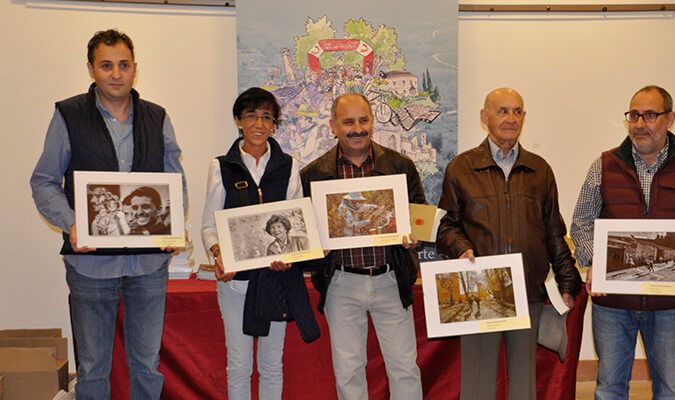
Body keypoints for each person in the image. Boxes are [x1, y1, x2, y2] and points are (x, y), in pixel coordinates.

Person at [29, 29, 186, 399]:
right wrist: (71, 224)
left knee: (147, 366)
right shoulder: (67, 115)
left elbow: (174, 182)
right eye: (106, 65)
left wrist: (173, 226)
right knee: (94, 368)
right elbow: (43, 182)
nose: (116, 73)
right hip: (90, 266)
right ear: (91, 69)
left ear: (135, 69)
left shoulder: (157, 117)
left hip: (148, 266)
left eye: (123, 65)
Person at [570, 85, 675, 399]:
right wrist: (595, 263)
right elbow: (581, 224)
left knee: (670, 389)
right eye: (634, 115)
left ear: (670, 119)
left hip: (671, 306)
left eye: (650, 115)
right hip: (613, 304)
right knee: (609, 389)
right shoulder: (602, 165)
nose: (639, 124)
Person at [437, 87, 581, 400]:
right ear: (484, 117)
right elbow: (446, 226)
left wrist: (568, 281)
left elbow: (554, 230)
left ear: (524, 118)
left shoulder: (539, 170)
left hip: (527, 289)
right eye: (502, 111)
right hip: (480, 289)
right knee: (477, 384)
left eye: (517, 112)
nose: (510, 118)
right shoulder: (461, 168)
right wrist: (461, 247)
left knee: (523, 385)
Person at [300, 93, 425, 400]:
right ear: (333, 126)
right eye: (348, 122)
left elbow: (420, 212)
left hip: (390, 279)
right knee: (348, 371)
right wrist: (316, 246)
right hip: (341, 282)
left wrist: (415, 233)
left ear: (372, 122)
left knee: (405, 369)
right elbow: (301, 231)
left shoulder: (400, 165)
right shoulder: (313, 174)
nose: (357, 129)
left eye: (363, 120)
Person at [202, 87, 318, 399]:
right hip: (236, 281)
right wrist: (218, 254)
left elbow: (297, 220)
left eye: (267, 117)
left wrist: (292, 255)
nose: (259, 123)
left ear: (275, 125)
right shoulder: (222, 166)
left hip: (276, 279)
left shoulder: (289, 166)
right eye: (251, 115)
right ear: (238, 120)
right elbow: (208, 226)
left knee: (271, 364)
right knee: (239, 365)